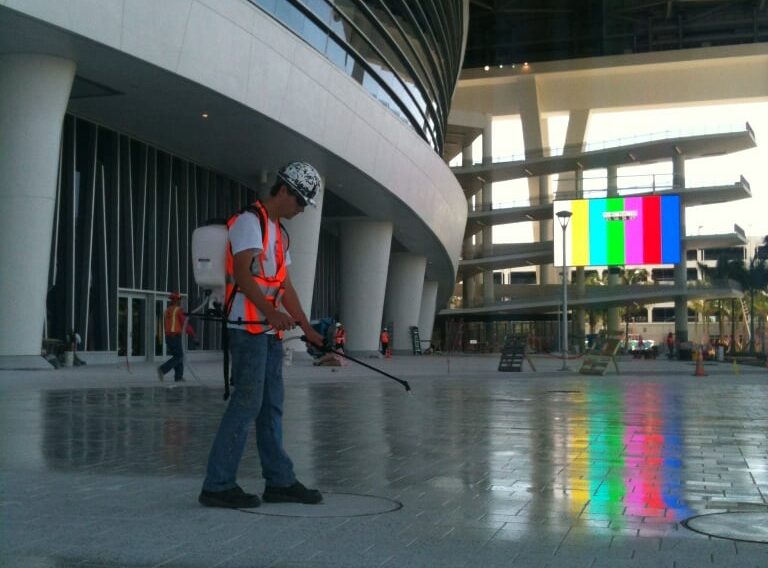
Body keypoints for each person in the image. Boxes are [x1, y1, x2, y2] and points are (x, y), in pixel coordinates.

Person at [199, 161, 325, 510]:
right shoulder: (249, 223)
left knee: (270, 406)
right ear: (283, 190)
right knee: (247, 403)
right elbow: (241, 273)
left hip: (268, 333)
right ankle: (218, 484)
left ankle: (280, 481)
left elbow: (284, 287)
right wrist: (270, 312)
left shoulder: (280, 234)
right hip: (247, 330)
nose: (301, 210)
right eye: (299, 201)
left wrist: (308, 327)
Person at [158, 292, 194, 382]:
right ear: (176, 300)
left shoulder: (167, 310)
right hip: (175, 337)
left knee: (178, 356)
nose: (180, 302)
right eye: (179, 300)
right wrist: (193, 334)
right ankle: (163, 369)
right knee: (179, 356)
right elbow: (184, 323)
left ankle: (178, 377)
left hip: (168, 337)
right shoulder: (178, 310)